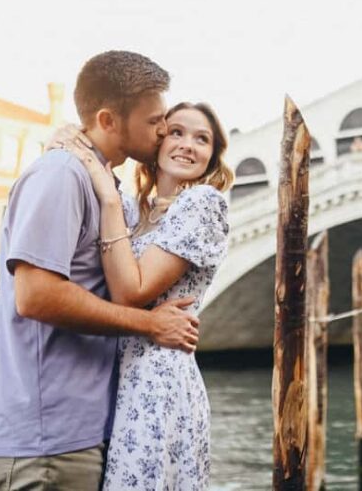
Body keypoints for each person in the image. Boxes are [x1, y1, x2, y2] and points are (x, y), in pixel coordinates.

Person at [0, 51, 201, 490]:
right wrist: (150, 325)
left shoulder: (97, 179)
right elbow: (36, 295)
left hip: (71, 435)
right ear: (108, 119)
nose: (164, 131)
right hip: (46, 443)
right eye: (155, 120)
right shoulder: (61, 174)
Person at [65, 101, 232, 490]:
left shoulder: (201, 205)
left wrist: (106, 196)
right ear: (157, 142)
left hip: (158, 379)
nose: (188, 144)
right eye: (177, 132)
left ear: (212, 156)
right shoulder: (135, 211)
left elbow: (130, 291)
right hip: (116, 375)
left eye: (202, 138)